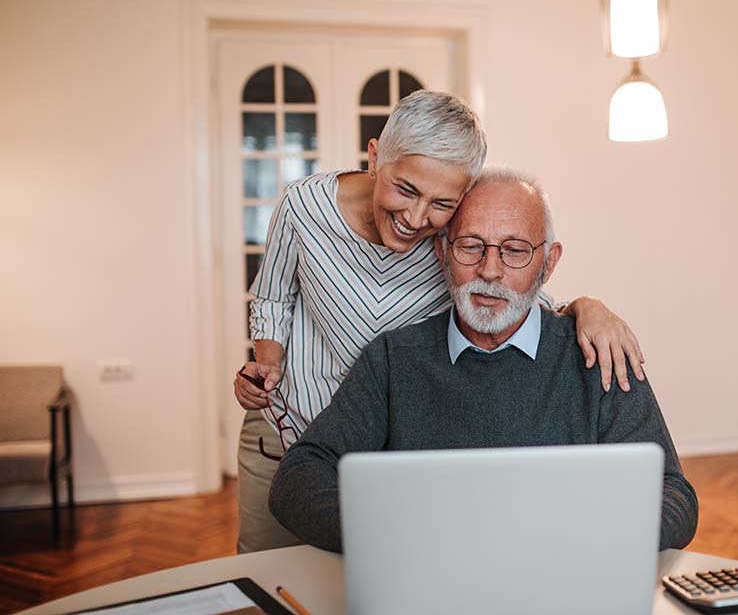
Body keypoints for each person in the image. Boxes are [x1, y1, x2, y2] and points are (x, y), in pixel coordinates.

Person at [234, 92, 647, 553]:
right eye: (406, 189)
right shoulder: (304, 206)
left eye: (442, 203)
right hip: (290, 422)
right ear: (374, 158)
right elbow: (272, 296)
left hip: (379, 440)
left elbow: (518, 293)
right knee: (267, 569)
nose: (415, 218)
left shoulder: (447, 245)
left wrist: (588, 307)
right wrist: (267, 365)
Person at [268, 169, 699, 552]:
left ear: (548, 263)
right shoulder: (393, 359)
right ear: (442, 254)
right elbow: (298, 478)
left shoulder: (599, 355)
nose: (489, 270)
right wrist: (398, 538)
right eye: (471, 246)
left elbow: (674, 497)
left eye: (514, 251)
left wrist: (571, 540)